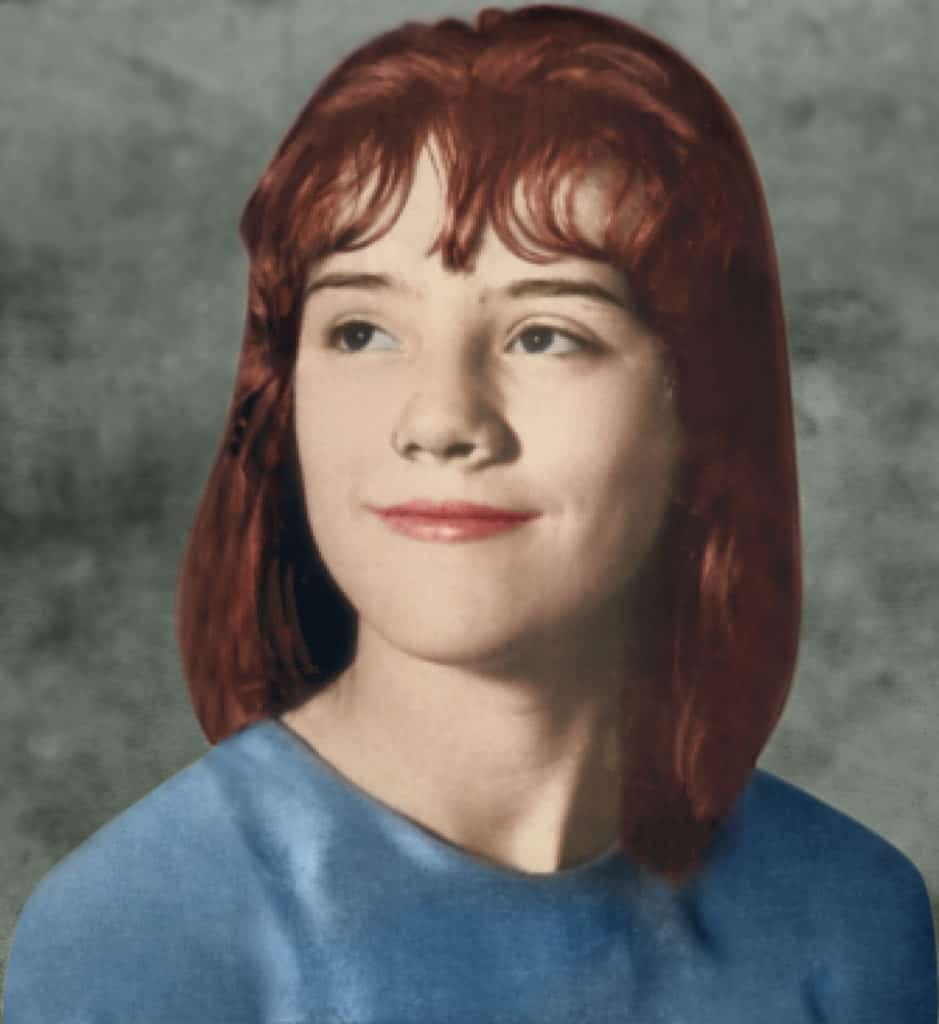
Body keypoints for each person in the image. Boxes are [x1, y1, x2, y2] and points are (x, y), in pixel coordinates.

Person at [4, 6, 936, 1022]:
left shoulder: (852, 917)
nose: (442, 420)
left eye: (545, 334)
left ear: (704, 410)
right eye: (362, 331)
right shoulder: (141, 940)